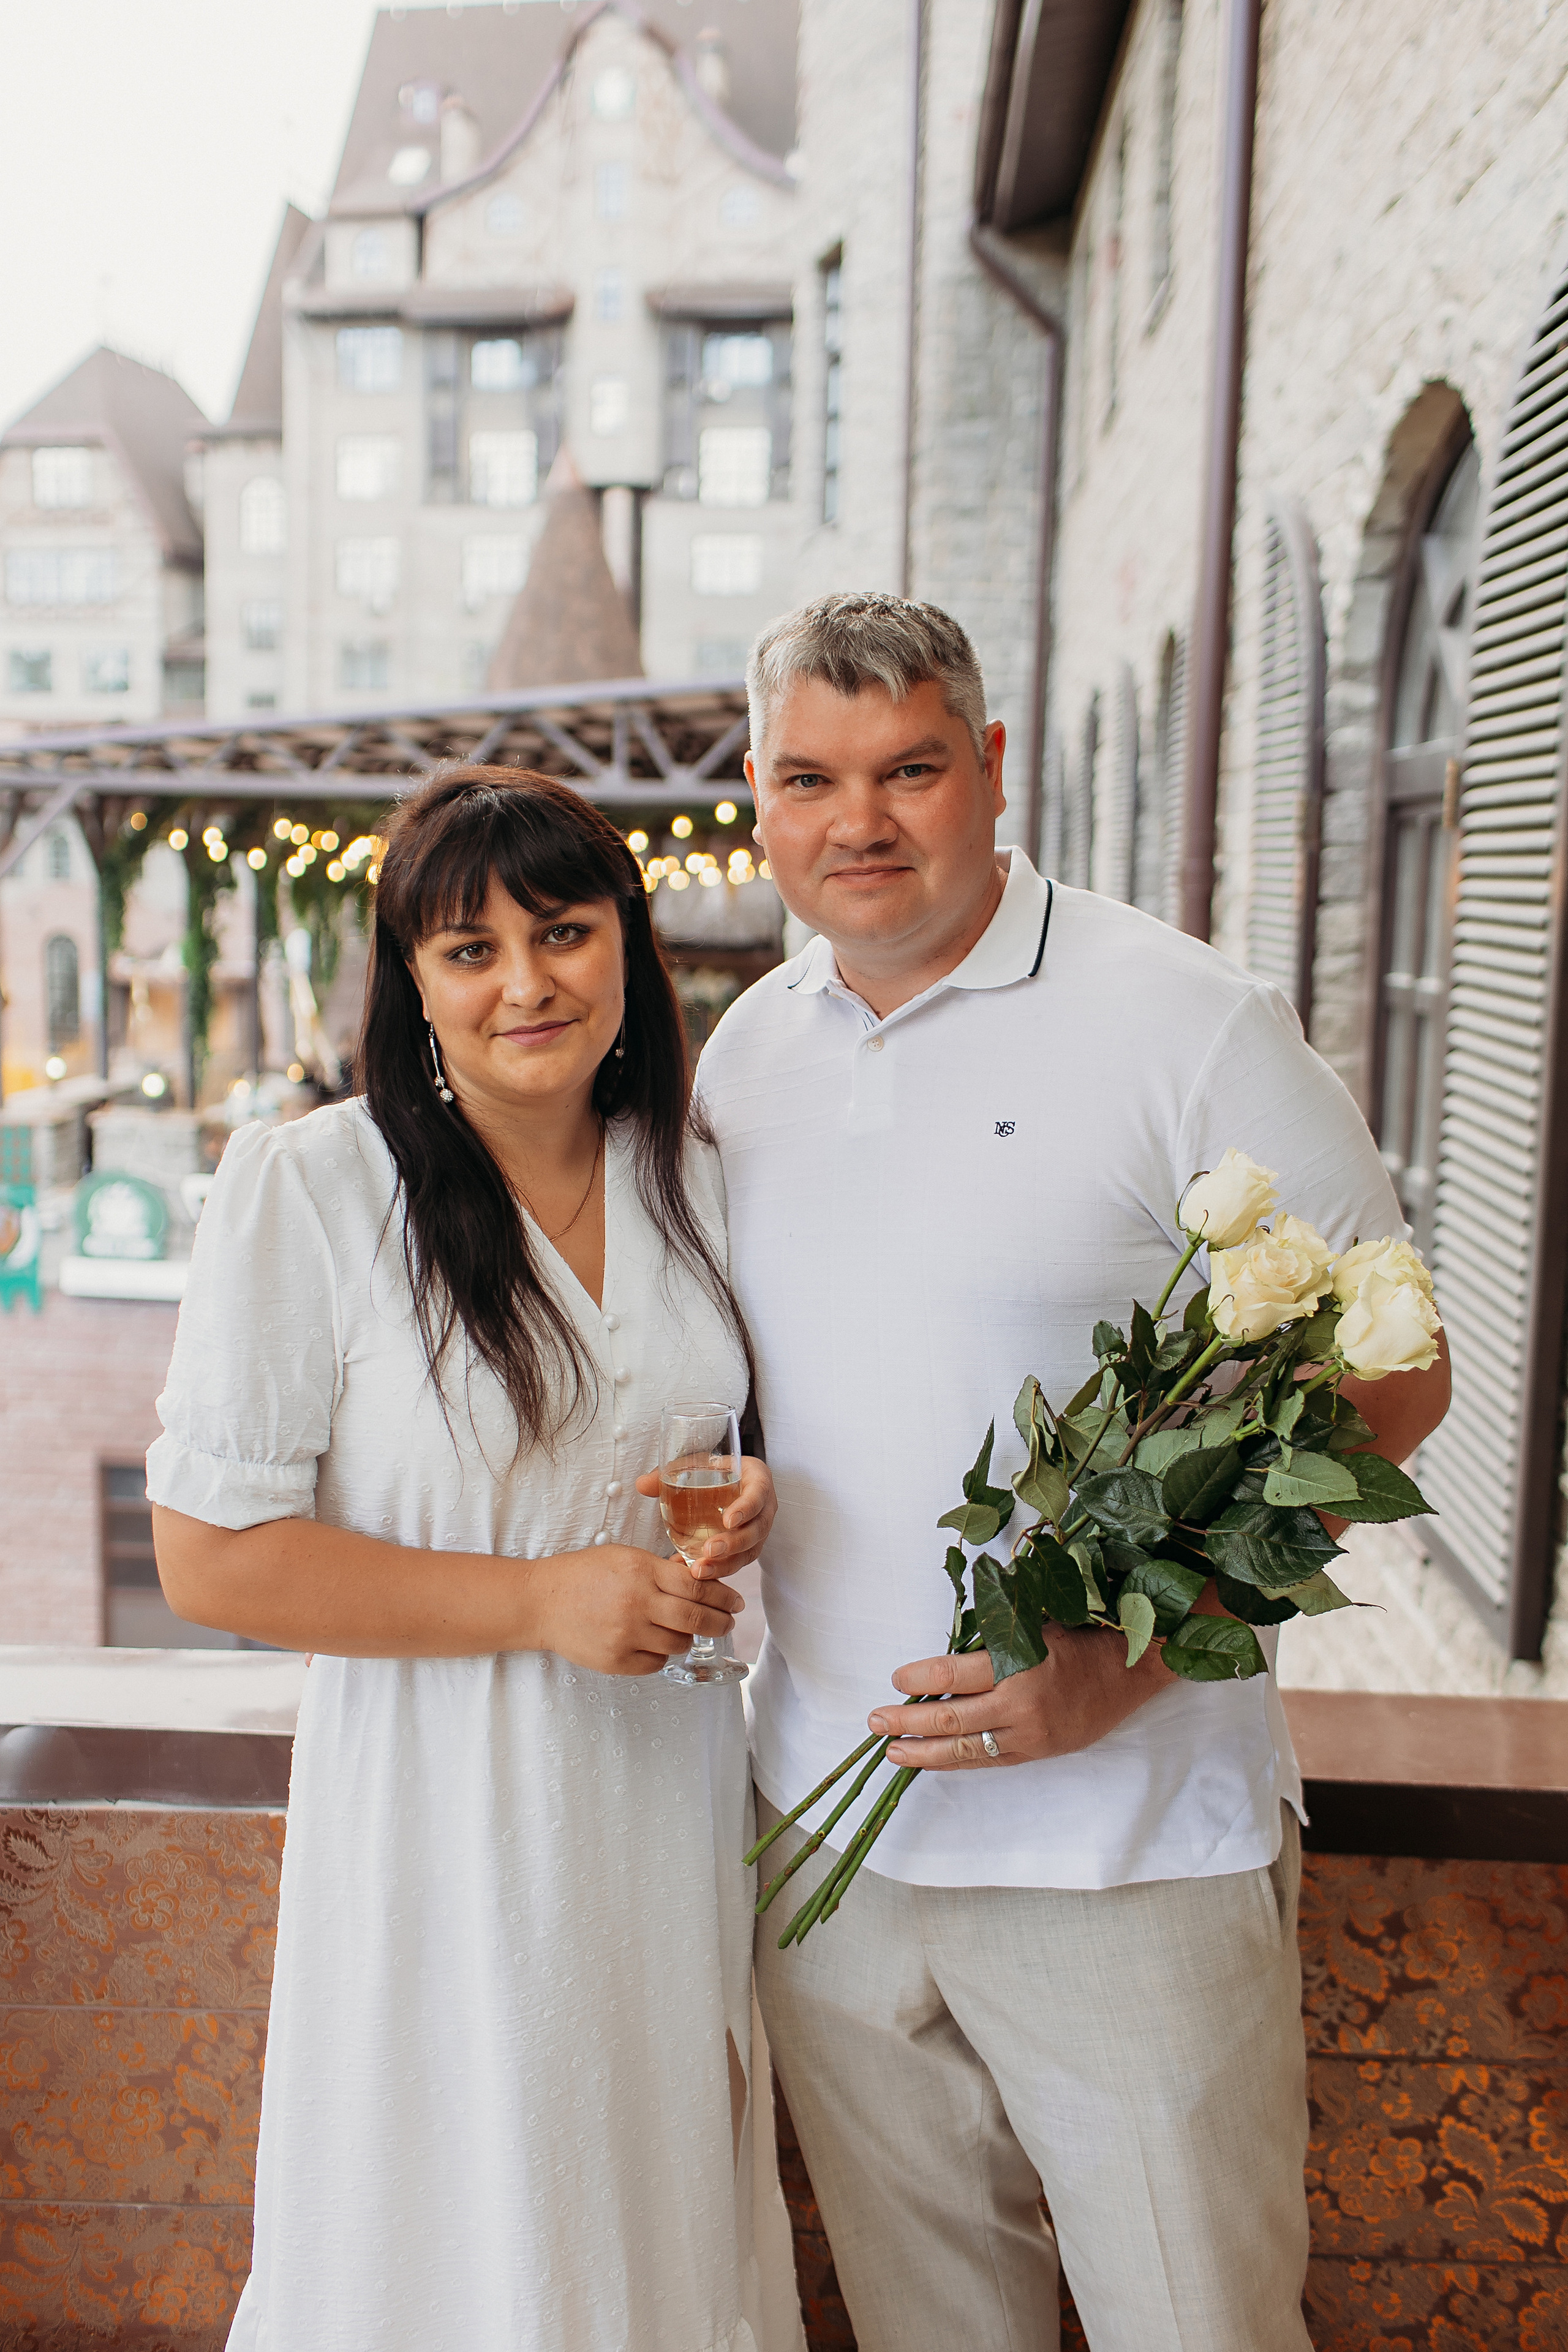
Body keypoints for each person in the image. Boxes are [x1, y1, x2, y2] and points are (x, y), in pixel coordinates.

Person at [695, 594, 1452, 2352]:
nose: (859, 822)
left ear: (992, 767)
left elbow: (1396, 1373)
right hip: (831, 1842)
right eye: (810, 779)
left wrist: (1121, 1661)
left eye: (910, 771)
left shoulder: (1187, 1019)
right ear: (760, 794)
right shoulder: (745, 1054)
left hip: (1131, 1856)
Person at [148, 769, 804, 2352]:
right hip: (437, 1814)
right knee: (449, 2228)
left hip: (661, 1807)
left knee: (646, 2225)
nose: (526, 984)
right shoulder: (315, 1190)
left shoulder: (697, 1179)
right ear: (413, 982)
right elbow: (209, 1559)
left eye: (563, 933)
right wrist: (538, 1599)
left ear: (627, 946)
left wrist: (742, 1506)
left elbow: (683, 1442)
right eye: (469, 950)